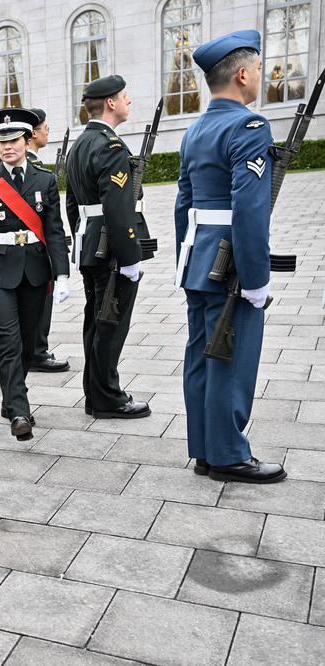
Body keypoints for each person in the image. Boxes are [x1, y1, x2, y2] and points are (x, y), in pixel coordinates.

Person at [175, 30, 286, 483]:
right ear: (242, 74)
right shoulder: (249, 126)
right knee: (231, 358)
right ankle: (227, 454)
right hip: (230, 262)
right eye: (258, 69)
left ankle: (205, 448)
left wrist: (188, 258)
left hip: (199, 259)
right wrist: (256, 279)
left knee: (204, 355)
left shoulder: (195, 130)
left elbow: (183, 202)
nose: (260, 76)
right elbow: (250, 210)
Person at [0, 109, 70, 441]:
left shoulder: (45, 179)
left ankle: (10, 399)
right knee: (8, 340)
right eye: (2, 141)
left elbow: (53, 231)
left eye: (14, 141)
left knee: (25, 343)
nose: (8, 147)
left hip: (35, 271)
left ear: (26, 141)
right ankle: (20, 412)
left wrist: (62, 273)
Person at [64, 75, 152, 419]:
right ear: (111, 103)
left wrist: (82, 240)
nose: (128, 101)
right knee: (111, 324)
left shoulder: (81, 144)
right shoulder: (111, 146)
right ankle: (108, 398)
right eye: (125, 97)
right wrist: (131, 258)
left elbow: (72, 204)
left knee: (97, 321)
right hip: (112, 249)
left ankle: (95, 392)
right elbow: (118, 209)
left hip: (90, 244)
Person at [25, 107, 70, 372]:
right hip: (32, 248)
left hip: (39, 245)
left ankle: (36, 347)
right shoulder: (33, 168)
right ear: (32, 134)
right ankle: (36, 350)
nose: (47, 133)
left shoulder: (38, 167)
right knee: (39, 300)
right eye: (45, 128)